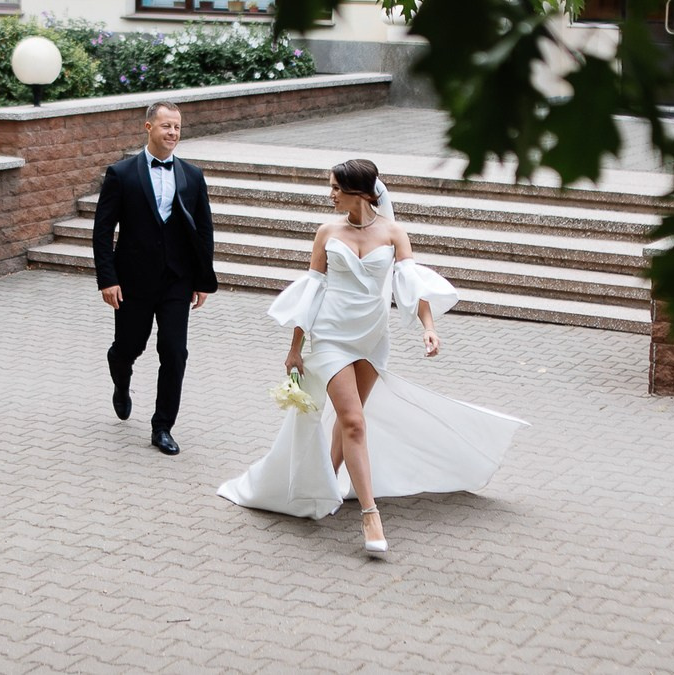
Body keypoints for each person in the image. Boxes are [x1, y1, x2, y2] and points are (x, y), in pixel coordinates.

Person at [217, 158, 526, 554]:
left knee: (350, 420)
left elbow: (411, 284)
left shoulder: (394, 232)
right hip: (330, 335)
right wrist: (295, 348)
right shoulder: (327, 232)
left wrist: (429, 327)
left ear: (360, 192)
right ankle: (370, 515)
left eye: (336, 188)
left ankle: (324, 485)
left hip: (372, 338)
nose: (330, 195)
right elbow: (312, 291)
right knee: (354, 422)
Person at [93, 101, 218, 455]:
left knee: (175, 352)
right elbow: (103, 231)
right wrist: (108, 279)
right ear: (149, 128)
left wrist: (202, 280)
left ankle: (162, 427)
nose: (173, 133)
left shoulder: (192, 175)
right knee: (129, 347)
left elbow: (204, 229)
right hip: (132, 280)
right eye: (166, 126)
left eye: (177, 127)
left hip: (177, 280)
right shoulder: (121, 174)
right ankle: (121, 378)